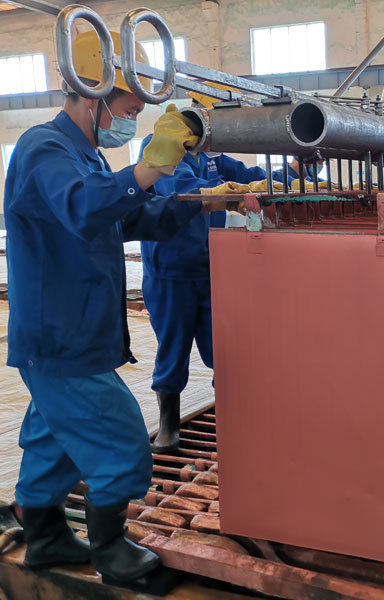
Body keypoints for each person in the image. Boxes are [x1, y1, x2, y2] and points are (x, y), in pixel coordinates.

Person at [5, 31, 202, 583]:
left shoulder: (87, 155)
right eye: (130, 111)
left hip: (78, 332)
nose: (132, 123)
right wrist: (151, 167)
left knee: (53, 443)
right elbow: (86, 207)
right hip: (60, 335)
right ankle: (111, 550)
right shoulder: (43, 149)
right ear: (93, 96)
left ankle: (45, 539)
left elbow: (128, 217)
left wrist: (198, 203)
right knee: (119, 441)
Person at [140, 83, 268, 454]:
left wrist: (294, 173)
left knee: (224, 350)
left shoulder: (211, 157)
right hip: (171, 273)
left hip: (210, 270)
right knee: (173, 348)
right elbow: (182, 189)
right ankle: (169, 426)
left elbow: (248, 172)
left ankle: (230, 419)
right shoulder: (163, 147)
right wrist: (228, 192)